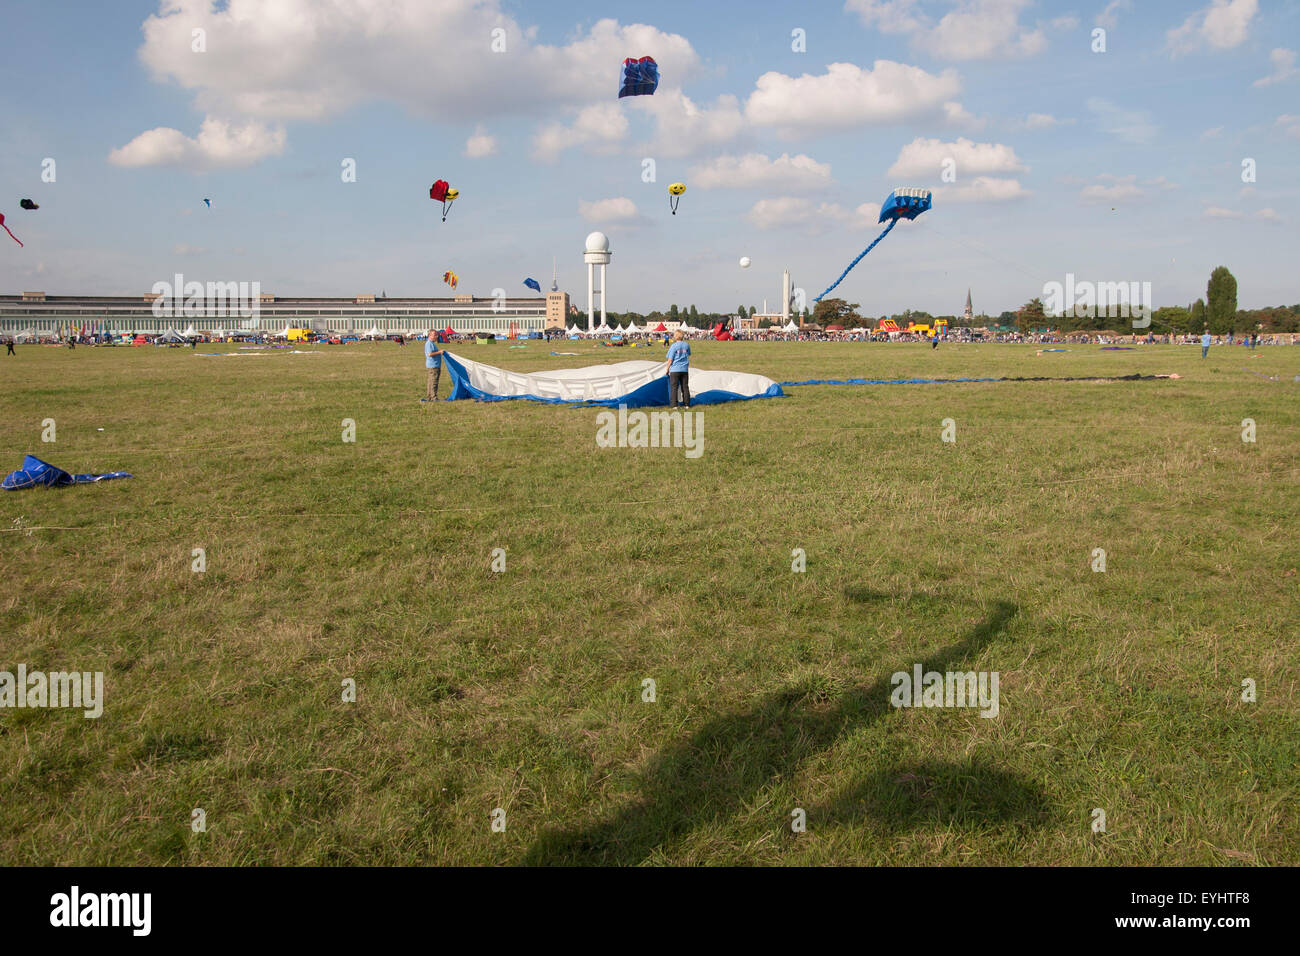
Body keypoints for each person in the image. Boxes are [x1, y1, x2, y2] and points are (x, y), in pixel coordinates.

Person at [665, 329, 691, 408]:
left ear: (675, 336)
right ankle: (687, 404)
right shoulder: (686, 345)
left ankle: (674, 405)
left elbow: (670, 359)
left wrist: (667, 369)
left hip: (675, 370)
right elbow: (688, 354)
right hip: (684, 369)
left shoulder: (673, 346)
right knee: (685, 387)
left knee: (674, 388)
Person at [423, 329, 444, 402]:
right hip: (433, 366)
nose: (436, 336)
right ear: (430, 335)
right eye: (435, 335)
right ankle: (433, 397)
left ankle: (429, 396)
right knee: (434, 382)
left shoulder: (431, 343)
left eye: (437, 335)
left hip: (433, 365)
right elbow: (430, 354)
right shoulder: (429, 344)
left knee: (430, 381)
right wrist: (439, 352)